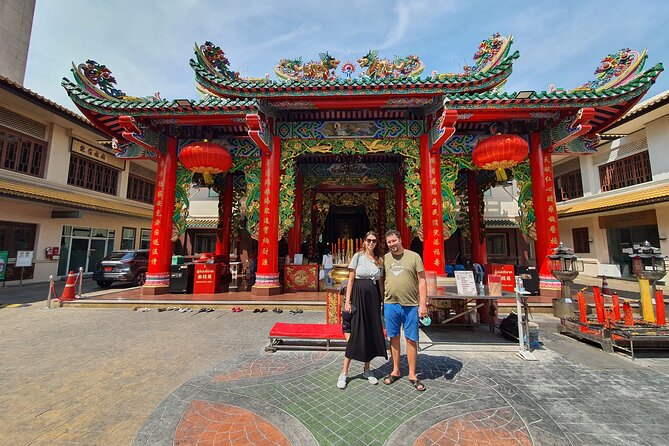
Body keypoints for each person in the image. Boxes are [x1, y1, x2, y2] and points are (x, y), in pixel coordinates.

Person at [337, 231, 387, 389]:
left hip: (372, 298)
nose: (371, 243)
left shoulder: (379, 260)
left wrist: (382, 300)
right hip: (358, 295)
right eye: (369, 240)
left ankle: (367, 369)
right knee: (356, 334)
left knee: (370, 332)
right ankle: (344, 372)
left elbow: (380, 283)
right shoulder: (357, 257)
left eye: (374, 240)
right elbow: (351, 280)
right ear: (364, 242)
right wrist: (347, 301)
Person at [382, 229, 428, 392]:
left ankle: (412, 374)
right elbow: (382, 279)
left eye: (394, 241)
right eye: (389, 242)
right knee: (393, 337)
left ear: (400, 240)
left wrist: (423, 304)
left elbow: (422, 281)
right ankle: (395, 370)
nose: (392, 244)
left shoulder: (414, 256)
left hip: (410, 305)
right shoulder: (385, 259)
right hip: (390, 304)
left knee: (411, 339)